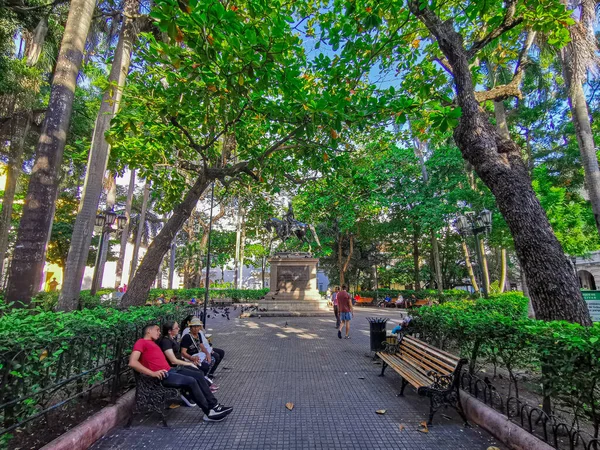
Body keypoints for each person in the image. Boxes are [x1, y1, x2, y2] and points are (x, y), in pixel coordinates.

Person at [128, 323, 233, 422]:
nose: (159, 332)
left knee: (198, 374)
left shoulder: (153, 343)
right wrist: (152, 373)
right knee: (191, 381)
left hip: (172, 369)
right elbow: (132, 362)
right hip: (164, 375)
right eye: (157, 330)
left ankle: (214, 406)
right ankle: (209, 412)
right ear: (149, 331)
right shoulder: (141, 342)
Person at [159, 321, 218, 393]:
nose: (179, 329)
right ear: (169, 331)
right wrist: (189, 362)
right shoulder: (166, 341)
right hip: (175, 367)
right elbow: (173, 360)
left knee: (200, 369)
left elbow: (201, 346)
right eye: (176, 328)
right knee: (198, 371)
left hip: (181, 362)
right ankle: (204, 389)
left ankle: (205, 387)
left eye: (198, 326)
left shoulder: (172, 338)